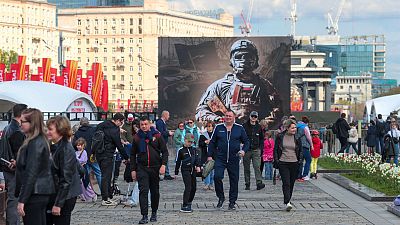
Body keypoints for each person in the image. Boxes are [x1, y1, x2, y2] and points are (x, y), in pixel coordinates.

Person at [195, 39, 282, 127]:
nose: (243, 60)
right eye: (239, 56)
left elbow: (277, 109)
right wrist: (218, 120)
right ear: (232, 60)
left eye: (248, 56)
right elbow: (202, 110)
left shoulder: (264, 85)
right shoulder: (221, 86)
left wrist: (263, 124)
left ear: (255, 59)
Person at [15, 108, 55, 225]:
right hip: (39, 191)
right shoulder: (38, 140)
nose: (20, 124)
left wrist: (22, 200)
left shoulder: (35, 142)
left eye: (23, 121)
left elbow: (31, 172)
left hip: (35, 193)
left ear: (32, 123)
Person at [207, 110, 249, 210]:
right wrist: (209, 155)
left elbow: (246, 142)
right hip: (220, 158)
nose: (228, 117)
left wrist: (243, 150)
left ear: (234, 117)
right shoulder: (218, 127)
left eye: (230, 116)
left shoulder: (239, 128)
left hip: (234, 158)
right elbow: (212, 143)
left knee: (234, 180)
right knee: (217, 177)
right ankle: (221, 197)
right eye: (226, 116)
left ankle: (232, 202)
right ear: (224, 117)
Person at [131, 117, 169, 224]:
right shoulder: (137, 137)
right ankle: (144, 215)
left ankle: (154, 213)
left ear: (150, 124)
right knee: (143, 191)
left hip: (155, 167)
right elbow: (132, 154)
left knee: (155, 192)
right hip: (142, 168)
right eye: (142, 124)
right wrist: (133, 169)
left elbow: (165, 152)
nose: (143, 126)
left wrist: (163, 165)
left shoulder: (157, 135)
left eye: (145, 124)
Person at [46, 116, 82, 225]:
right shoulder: (57, 146)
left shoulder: (65, 149)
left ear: (60, 130)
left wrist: (58, 204)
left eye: (50, 129)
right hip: (59, 194)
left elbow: (66, 179)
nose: (47, 132)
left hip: (65, 196)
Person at [0, 103, 27, 225]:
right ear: (21, 114)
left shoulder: (8, 128)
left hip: (7, 168)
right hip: (13, 170)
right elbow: (18, 154)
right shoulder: (16, 131)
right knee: (14, 199)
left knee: (12, 199)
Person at [95, 113, 129, 206]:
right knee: (107, 176)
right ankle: (105, 199)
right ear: (118, 120)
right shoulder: (114, 129)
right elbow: (119, 145)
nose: (121, 125)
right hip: (108, 154)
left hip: (99, 153)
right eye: (121, 123)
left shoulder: (101, 125)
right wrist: (126, 157)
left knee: (104, 175)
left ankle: (108, 196)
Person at [273, 119, 302, 212]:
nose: (295, 130)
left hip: (294, 163)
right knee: (286, 183)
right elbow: (276, 149)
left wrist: (300, 161)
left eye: (295, 128)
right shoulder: (280, 136)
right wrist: (277, 160)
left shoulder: (297, 137)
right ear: (288, 128)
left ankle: (288, 199)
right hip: (283, 162)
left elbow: (300, 150)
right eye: (293, 128)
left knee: (291, 183)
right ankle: (287, 202)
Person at [72, 117, 101, 191]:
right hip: (92, 155)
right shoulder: (93, 130)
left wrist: (78, 152)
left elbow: (74, 144)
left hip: (83, 157)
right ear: (88, 123)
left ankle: (86, 192)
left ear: (81, 123)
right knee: (98, 173)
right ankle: (103, 191)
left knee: (85, 175)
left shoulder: (78, 132)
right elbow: (97, 142)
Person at [174, 133, 201, 213]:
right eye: (188, 141)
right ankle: (185, 204)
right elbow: (178, 162)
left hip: (193, 170)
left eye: (191, 142)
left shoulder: (194, 149)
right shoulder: (181, 151)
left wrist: (198, 166)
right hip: (185, 170)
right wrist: (176, 172)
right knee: (188, 187)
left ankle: (189, 201)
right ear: (185, 140)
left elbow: (197, 159)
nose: (190, 143)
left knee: (194, 188)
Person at [242, 111, 265, 190]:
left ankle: (259, 183)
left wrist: (261, 148)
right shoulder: (244, 126)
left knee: (257, 167)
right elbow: (241, 136)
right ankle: (247, 183)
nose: (253, 118)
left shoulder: (259, 127)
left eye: (255, 116)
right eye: (252, 116)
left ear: (257, 118)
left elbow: (262, 138)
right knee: (246, 168)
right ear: (250, 116)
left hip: (256, 149)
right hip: (246, 150)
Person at [75, 138, 97, 202]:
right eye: (77, 145)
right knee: (80, 184)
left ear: (83, 145)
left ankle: (92, 195)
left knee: (86, 183)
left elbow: (84, 160)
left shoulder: (84, 152)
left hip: (83, 169)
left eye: (79, 145)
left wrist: (77, 161)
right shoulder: (75, 152)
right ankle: (84, 197)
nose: (78, 146)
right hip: (77, 169)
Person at [155, 110, 174, 180]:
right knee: (164, 157)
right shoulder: (160, 122)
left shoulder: (162, 122)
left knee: (164, 157)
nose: (169, 117)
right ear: (165, 115)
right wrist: (168, 133)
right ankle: (165, 173)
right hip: (161, 143)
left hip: (162, 143)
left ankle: (166, 173)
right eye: (168, 115)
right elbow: (160, 133)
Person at [198, 121, 215, 190]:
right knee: (206, 169)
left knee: (213, 171)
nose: (209, 128)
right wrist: (205, 142)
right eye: (208, 126)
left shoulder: (215, 135)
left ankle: (211, 184)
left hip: (214, 155)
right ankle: (206, 184)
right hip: (205, 154)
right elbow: (200, 144)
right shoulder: (203, 135)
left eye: (210, 126)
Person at [296, 116, 313, 181]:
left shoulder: (297, 126)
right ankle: (305, 175)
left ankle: (298, 175)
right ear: (307, 122)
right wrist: (312, 145)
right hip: (305, 146)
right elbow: (308, 137)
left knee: (300, 161)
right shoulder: (305, 127)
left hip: (298, 146)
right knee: (308, 160)